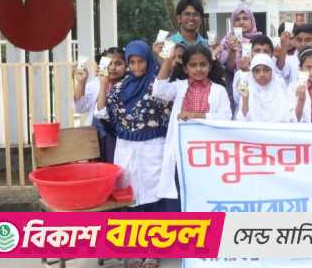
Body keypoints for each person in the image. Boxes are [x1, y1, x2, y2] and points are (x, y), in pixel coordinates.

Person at [94, 40, 171, 212]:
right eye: (132, 62)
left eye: (141, 61)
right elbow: (102, 112)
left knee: (155, 195)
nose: (137, 66)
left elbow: (167, 103)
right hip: (126, 149)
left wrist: (166, 59)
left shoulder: (157, 84)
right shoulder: (120, 87)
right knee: (129, 195)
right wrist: (103, 84)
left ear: (148, 60)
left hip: (153, 150)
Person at [152, 44, 232, 209]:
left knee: (204, 195)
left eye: (203, 64)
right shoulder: (179, 86)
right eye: (193, 65)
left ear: (210, 66)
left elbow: (225, 118)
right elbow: (159, 91)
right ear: (185, 68)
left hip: (208, 153)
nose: (198, 69)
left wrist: (195, 116)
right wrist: (167, 60)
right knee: (180, 196)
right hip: (181, 152)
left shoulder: (218, 90)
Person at [74, 47, 126, 163]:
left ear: (126, 65)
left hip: (119, 138)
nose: (112, 68)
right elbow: (79, 108)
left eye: (118, 63)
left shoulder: (128, 85)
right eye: (108, 64)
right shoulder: (94, 84)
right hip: (96, 138)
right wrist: (81, 82)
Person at [235, 53, 293, 123]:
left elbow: (287, 118)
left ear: (272, 71)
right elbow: (243, 119)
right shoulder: (247, 88)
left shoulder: (279, 89)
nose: (262, 74)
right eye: (257, 71)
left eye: (266, 70)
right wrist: (245, 99)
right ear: (252, 73)